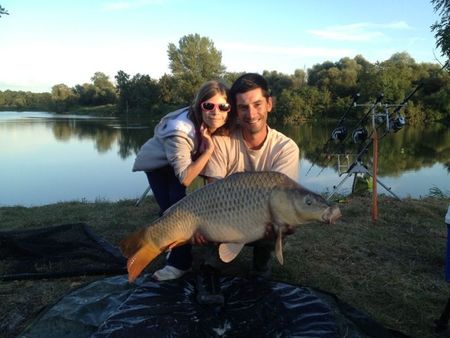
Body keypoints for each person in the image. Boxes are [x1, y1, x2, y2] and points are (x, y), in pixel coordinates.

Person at [132, 80, 235, 281]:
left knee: (181, 205)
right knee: (174, 209)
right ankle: (179, 263)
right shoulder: (179, 130)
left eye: (223, 106)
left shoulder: (224, 121)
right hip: (159, 167)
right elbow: (186, 178)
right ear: (199, 106)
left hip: (187, 161)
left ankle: (175, 251)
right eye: (209, 106)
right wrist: (209, 150)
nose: (216, 112)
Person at [202, 73, 300, 277]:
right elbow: (210, 196)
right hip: (223, 215)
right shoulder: (221, 140)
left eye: (257, 105)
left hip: (263, 217)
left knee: (285, 220)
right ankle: (211, 267)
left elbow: (282, 202)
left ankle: (261, 262)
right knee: (206, 216)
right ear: (236, 111)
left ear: (269, 104)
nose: (252, 114)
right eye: (243, 107)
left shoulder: (286, 148)